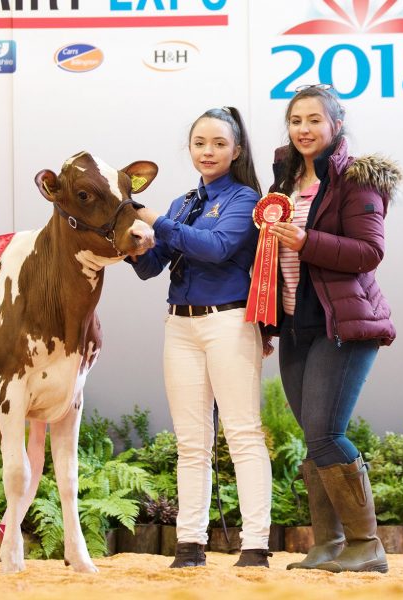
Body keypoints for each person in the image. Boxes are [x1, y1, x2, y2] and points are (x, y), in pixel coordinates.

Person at [264, 84, 402, 573]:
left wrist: (306, 240)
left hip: (342, 323)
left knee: (326, 433)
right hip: (294, 325)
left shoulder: (357, 180)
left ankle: (367, 546)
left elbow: (369, 252)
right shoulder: (283, 180)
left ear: (336, 125)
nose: (303, 129)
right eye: (295, 120)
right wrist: (266, 321)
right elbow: (270, 259)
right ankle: (328, 544)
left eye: (314, 120)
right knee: (314, 438)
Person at [130, 107, 273, 568]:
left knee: (243, 433)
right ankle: (190, 544)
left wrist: (155, 220)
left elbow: (217, 249)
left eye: (218, 143)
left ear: (237, 150)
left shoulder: (245, 198)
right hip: (180, 324)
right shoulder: (183, 203)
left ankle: (255, 545)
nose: (207, 151)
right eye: (199, 143)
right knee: (191, 441)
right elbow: (152, 268)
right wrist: (133, 243)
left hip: (228, 321)